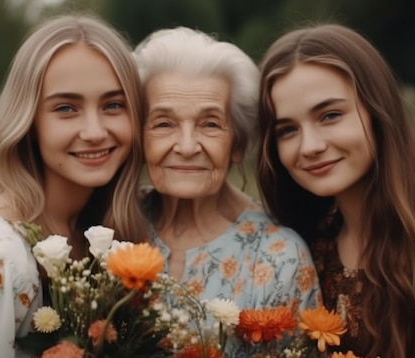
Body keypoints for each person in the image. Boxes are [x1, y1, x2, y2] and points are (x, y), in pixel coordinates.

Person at [257, 23, 415, 358]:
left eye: (330, 115)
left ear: (378, 111)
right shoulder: (307, 250)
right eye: (287, 130)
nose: (310, 145)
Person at [0, 14, 146, 357]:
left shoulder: (98, 234)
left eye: (113, 105)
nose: (95, 131)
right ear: (28, 121)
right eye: (66, 108)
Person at [133, 27, 321, 355]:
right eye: (164, 123)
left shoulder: (279, 257)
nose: (188, 146)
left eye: (210, 124)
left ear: (237, 144)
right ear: (138, 138)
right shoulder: (107, 223)